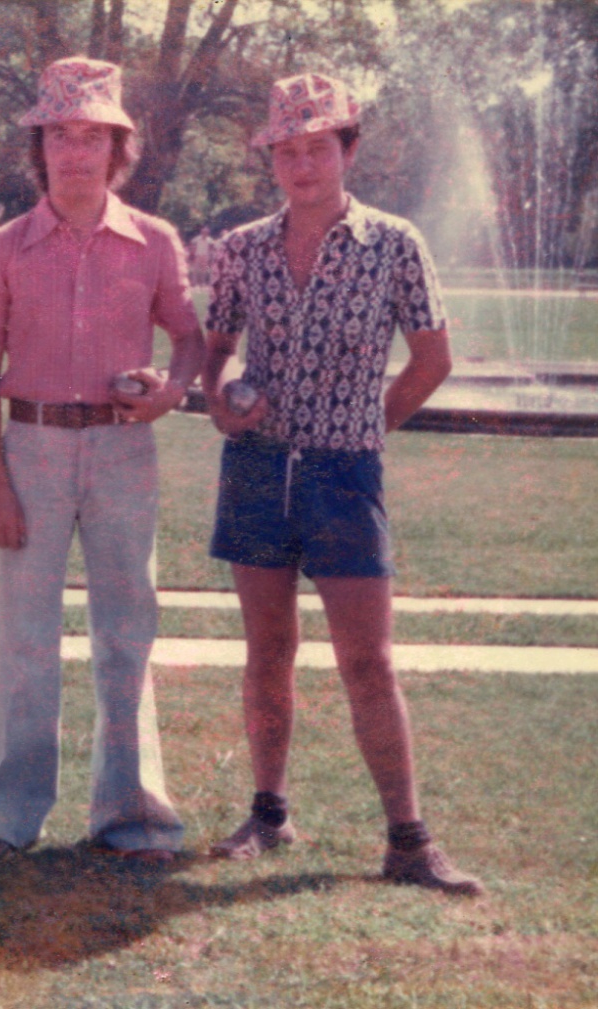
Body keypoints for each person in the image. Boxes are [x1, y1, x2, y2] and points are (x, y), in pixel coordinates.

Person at [201, 73, 483, 895]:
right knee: (267, 651)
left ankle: (408, 838)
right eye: (285, 150)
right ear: (270, 160)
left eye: (316, 147)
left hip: (343, 472)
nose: (300, 164)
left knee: (367, 660)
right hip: (256, 469)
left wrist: (367, 427)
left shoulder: (394, 242)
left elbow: (432, 359)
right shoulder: (242, 247)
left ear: (346, 149)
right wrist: (220, 400)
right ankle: (267, 810)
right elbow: (216, 348)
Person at [0, 58, 205, 862]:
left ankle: (133, 817)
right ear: (40, 147)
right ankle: (1, 815)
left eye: (91, 135)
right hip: (28, 444)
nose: (74, 152)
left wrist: (174, 390)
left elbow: (191, 337)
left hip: (122, 447)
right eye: (60, 135)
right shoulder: (2, 249)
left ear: (117, 148)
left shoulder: (153, 241)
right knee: (23, 634)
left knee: (126, 630)